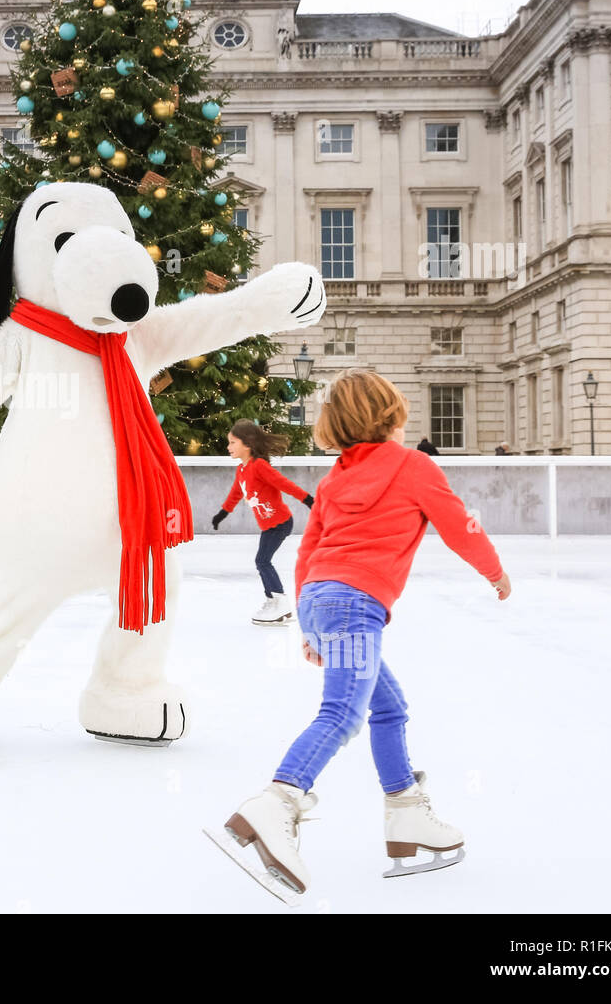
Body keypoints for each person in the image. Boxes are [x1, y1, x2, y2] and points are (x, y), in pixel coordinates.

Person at [216, 369, 511, 896]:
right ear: (391, 418)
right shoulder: (414, 466)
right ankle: (276, 802)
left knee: (389, 706)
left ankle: (406, 817)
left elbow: (309, 550)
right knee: (342, 712)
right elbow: (458, 523)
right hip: (355, 606)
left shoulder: (333, 480)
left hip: (322, 601)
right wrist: (494, 571)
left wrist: (309, 623)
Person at [211, 420, 315, 626]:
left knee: (262, 561)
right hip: (268, 526)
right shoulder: (241, 470)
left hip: (280, 523)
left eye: (233, 443)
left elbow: (284, 484)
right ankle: (273, 601)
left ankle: (280, 601)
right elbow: (235, 494)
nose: (228, 447)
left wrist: (308, 499)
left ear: (247, 444)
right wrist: (223, 513)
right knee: (262, 561)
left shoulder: (259, 466)